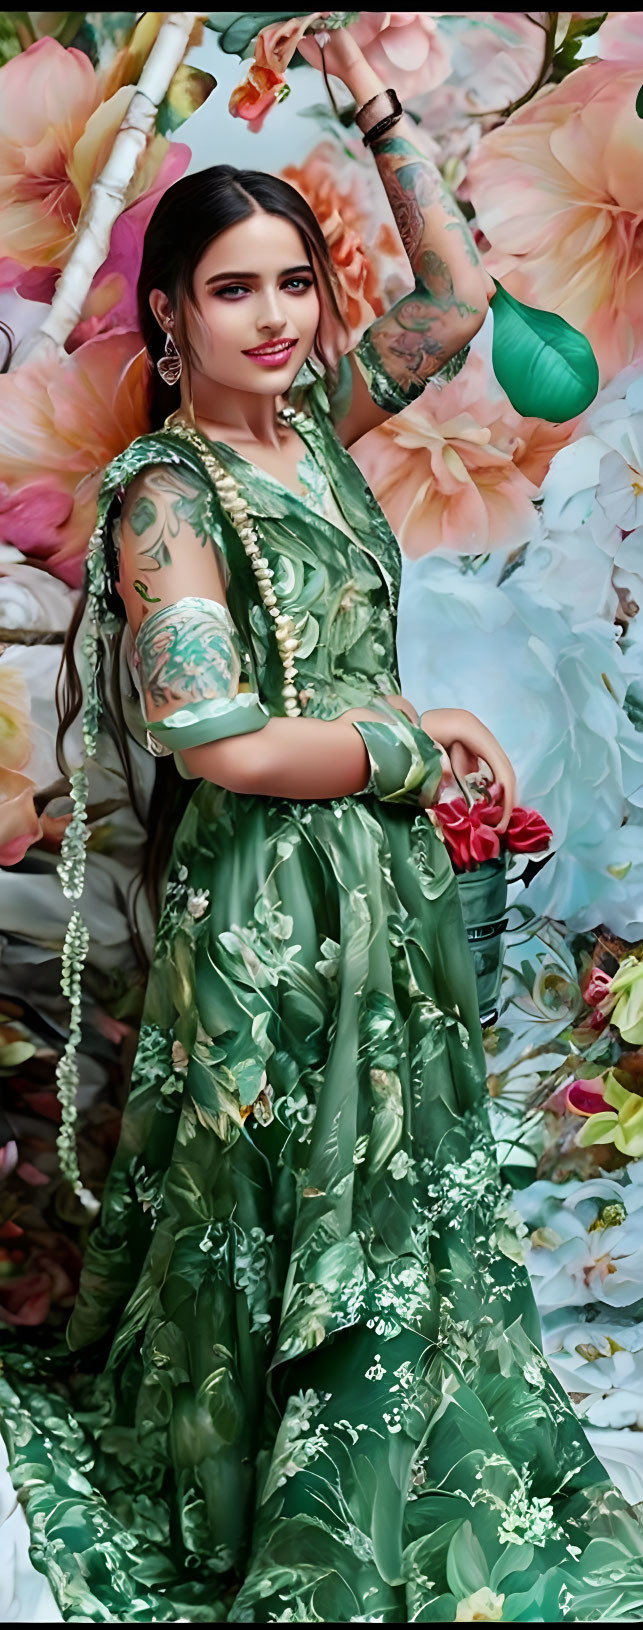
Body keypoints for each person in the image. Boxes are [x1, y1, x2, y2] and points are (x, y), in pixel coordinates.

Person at [2, 26, 643, 1626]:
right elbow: (212, 737)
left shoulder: (310, 428)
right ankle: (277, 1496)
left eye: (292, 280)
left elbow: (445, 301)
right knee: (282, 1210)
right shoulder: (167, 494)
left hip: (377, 882)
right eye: (235, 287)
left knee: (395, 1198)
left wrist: (374, 100)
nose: (278, 315)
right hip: (270, 904)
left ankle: (397, 1461)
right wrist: (414, 743)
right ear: (166, 310)